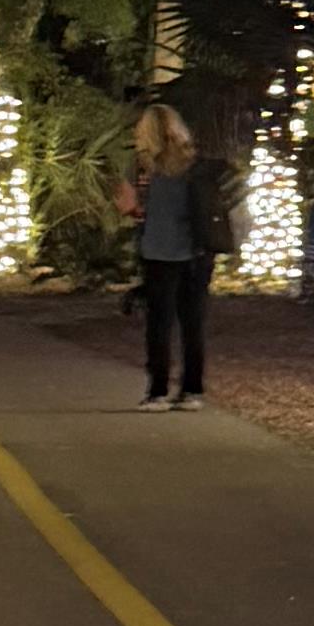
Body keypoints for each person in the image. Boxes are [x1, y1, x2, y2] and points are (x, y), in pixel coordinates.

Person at [123, 101, 211, 407]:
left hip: (159, 251)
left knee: (159, 324)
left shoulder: (143, 166)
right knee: (193, 324)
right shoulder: (193, 161)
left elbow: (128, 205)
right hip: (196, 250)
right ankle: (192, 390)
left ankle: (158, 391)